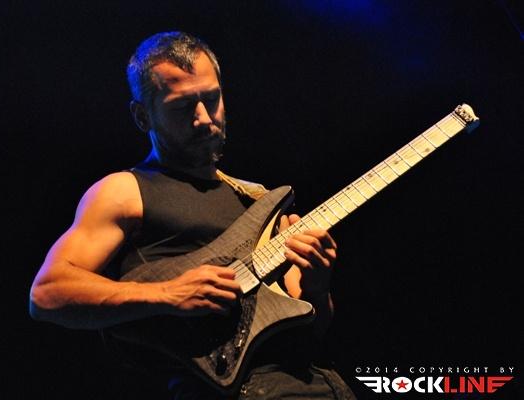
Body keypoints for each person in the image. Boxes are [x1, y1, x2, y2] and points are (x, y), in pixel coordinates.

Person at [29, 31, 356, 399]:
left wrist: (317, 286)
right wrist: (167, 293)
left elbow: (312, 328)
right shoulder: (125, 191)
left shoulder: (261, 201)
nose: (203, 118)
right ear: (142, 116)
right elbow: (48, 293)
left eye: (211, 99)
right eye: (182, 106)